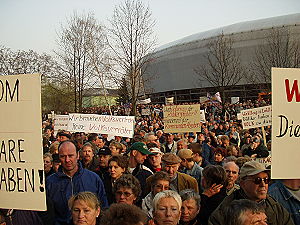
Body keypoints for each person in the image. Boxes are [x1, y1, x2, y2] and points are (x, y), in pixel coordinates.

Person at [208, 161, 295, 225]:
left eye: (266, 180)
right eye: (257, 180)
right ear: (243, 183)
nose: (263, 184)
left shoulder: (275, 207)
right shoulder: (226, 208)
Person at [46, 140, 108, 225]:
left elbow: (103, 208)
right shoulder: (50, 182)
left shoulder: (93, 179)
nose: (67, 160)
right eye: (63, 156)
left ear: (78, 155)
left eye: (70, 156)